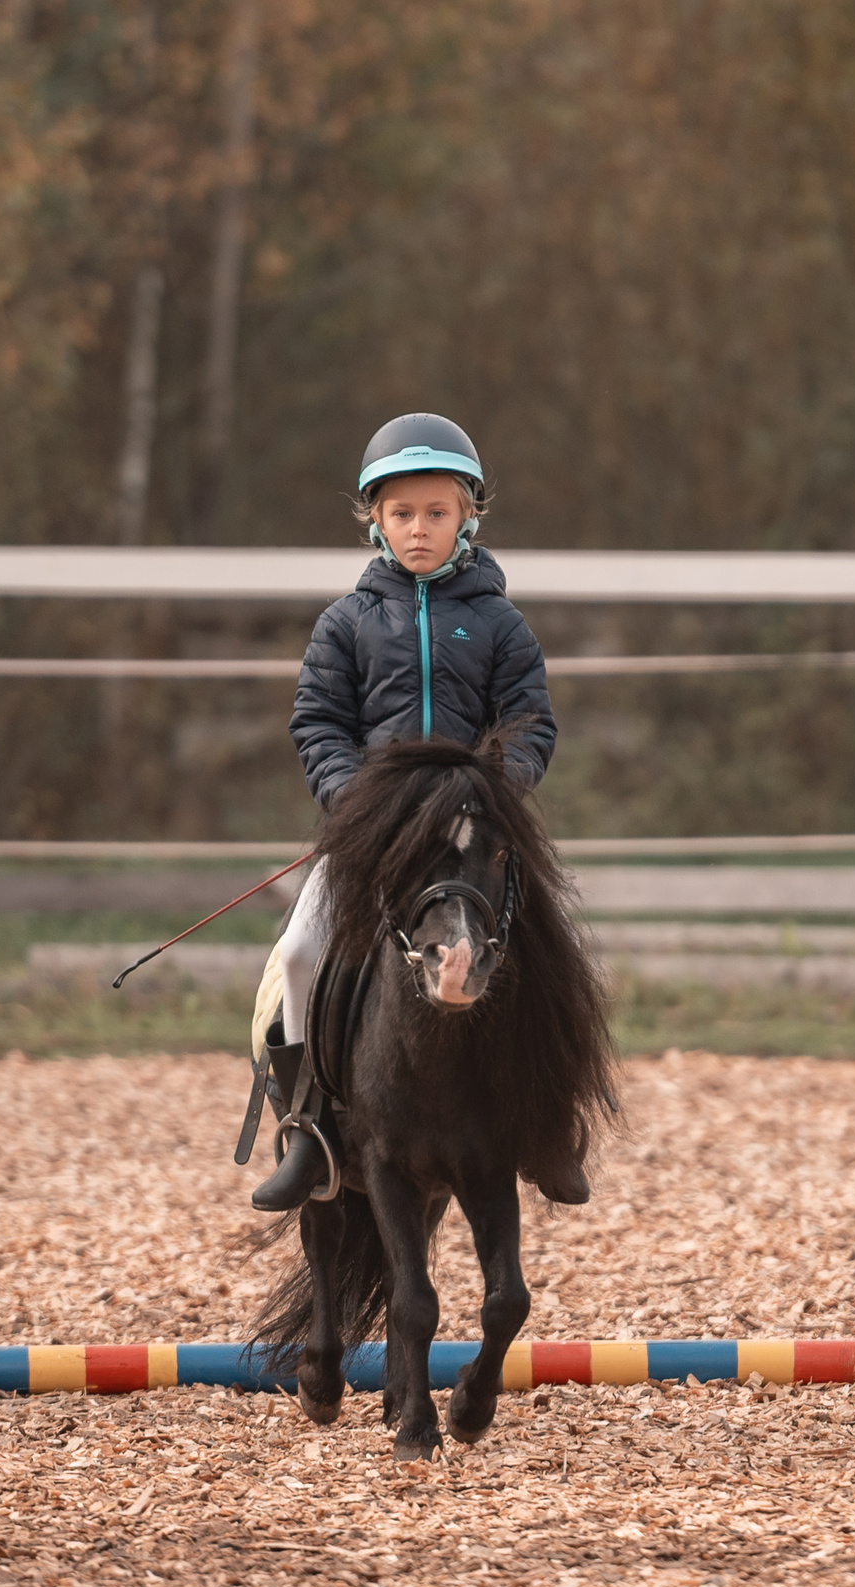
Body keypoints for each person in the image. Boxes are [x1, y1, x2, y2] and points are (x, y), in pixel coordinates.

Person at [251, 411, 586, 1211]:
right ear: (375, 519)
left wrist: (495, 788)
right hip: (378, 833)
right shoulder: (347, 623)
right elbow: (318, 723)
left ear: (469, 513)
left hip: (473, 838)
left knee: (555, 958)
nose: (420, 529)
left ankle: (551, 1128)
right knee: (299, 954)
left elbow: (531, 720)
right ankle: (307, 1132)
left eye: (438, 512)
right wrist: (352, 798)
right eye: (402, 513)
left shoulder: (502, 623)